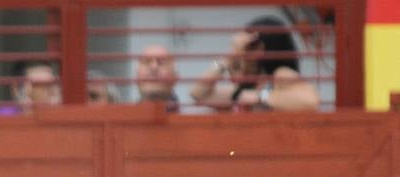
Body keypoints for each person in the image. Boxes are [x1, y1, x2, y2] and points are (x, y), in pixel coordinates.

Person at [190, 16, 320, 112]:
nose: (246, 52)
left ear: (271, 46)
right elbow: (198, 94)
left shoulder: (281, 75)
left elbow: (310, 102)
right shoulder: (244, 88)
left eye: (253, 45)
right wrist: (229, 58)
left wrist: (261, 97)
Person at [135, 44, 180, 112]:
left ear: (175, 77)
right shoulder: (123, 119)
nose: (154, 67)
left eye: (161, 62)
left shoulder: (191, 120)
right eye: (147, 62)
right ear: (137, 77)